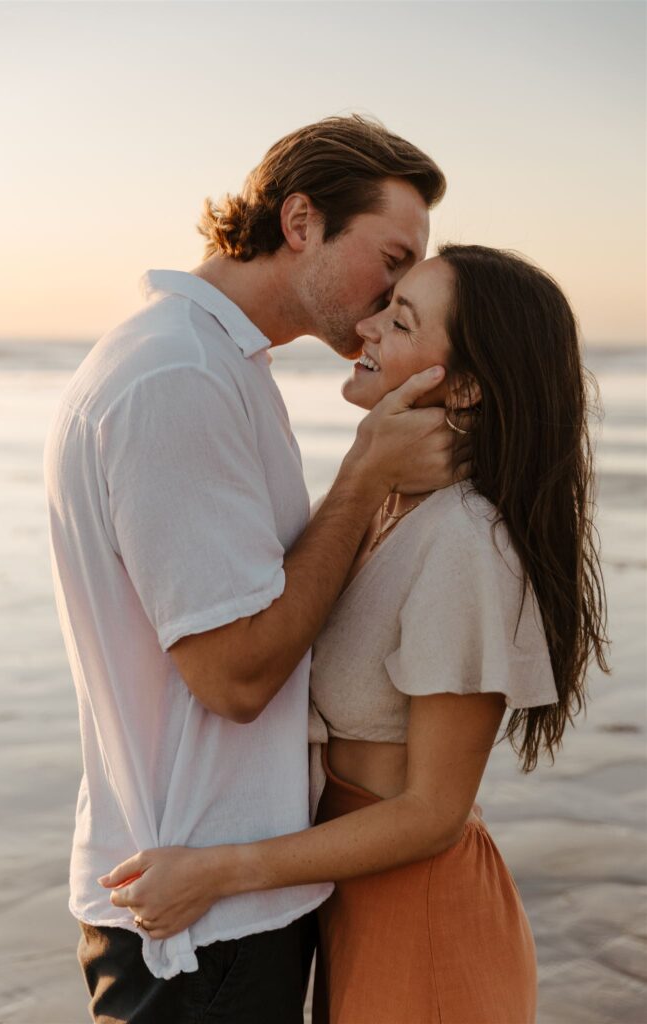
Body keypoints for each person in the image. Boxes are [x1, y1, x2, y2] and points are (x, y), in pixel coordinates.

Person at [100, 245, 609, 1024]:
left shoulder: (466, 542)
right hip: (354, 909)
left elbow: (434, 811)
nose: (365, 326)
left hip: (425, 922)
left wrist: (217, 872)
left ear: (463, 387)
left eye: (399, 320)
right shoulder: (384, 506)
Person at [44, 115, 458, 1024]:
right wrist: (364, 474)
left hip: (201, 887)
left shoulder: (212, 364)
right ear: (301, 219)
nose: (397, 294)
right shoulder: (178, 379)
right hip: (198, 913)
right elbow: (234, 676)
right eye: (391, 258)